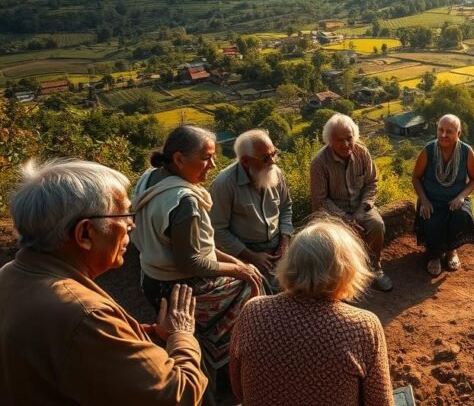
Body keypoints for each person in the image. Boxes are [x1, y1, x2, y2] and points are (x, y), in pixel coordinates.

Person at [0, 158, 206, 405]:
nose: (131, 224)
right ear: (85, 233)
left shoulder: (10, 274)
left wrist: (147, 333)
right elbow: (177, 395)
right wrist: (181, 336)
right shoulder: (84, 315)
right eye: (124, 214)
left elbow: (70, 349)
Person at [132, 125, 263, 385]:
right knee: (253, 289)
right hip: (178, 286)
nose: (213, 165)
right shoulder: (184, 201)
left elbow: (194, 247)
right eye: (206, 158)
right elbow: (190, 261)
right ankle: (233, 364)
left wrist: (238, 262)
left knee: (247, 272)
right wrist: (241, 271)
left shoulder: (150, 178)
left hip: (150, 276)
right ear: (179, 159)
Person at [229, 217, 395, 406]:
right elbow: (380, 402)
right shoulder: (363, 327)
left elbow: (238, 388)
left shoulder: (253, 311)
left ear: (290, 263)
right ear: (346, 270)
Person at [310, 113, 392, 292]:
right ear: (329, 141)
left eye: (350, 138)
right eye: (341, 140)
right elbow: (320, 200)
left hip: (361, 206)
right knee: (335, 238)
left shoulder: (361, 152)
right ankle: (342, 280)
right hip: (333, 212)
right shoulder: (319, 163)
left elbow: (372, 182)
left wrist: (362, 210)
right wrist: (346, 219)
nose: (347, 144)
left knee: (376, 224)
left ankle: (374, 268)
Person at [211, 129, 294, 293]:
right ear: (246, 161)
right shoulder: (224, 184)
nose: (273, 162)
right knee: (263, 296)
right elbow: (218, 230)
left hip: (278, 245)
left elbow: (286, 207)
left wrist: (285, 240)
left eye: (273, 154)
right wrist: (250, 256)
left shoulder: (275, 172)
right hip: (245, 252)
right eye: (265, 158)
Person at [411, 114, 474, 277]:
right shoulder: (428, 150)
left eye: (449, 131)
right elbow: (415, 177)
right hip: (431, 200)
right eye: (440, 130)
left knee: (461, 214)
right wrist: (424, 200)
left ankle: (451, 251)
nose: (443, 135)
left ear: (459, 133)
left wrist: (461, 197)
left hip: (455, 199)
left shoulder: (466, 151)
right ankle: (434, 255)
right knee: (430, 218)